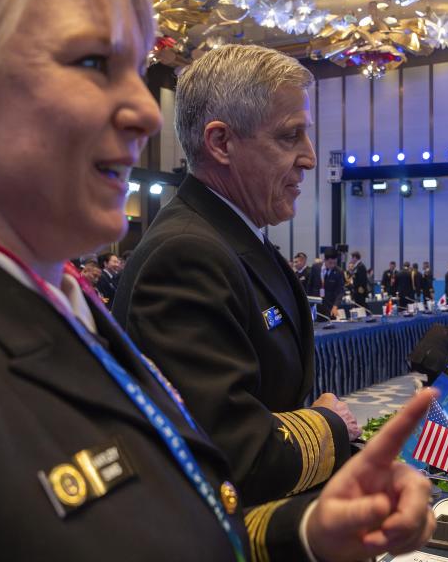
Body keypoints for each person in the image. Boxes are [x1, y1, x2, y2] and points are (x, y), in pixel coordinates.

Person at [0, 0, 436, 559]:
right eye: (92, 62)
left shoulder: (58, 305)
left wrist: (305, 534)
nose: (144, 114)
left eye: (137, 70)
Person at [111, 44, 359, 506]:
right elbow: (233, 454)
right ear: (221, 142)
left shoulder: (229, 236)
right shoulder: (186, 255)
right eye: (290, 136)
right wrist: (330, 424)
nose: (309, 157)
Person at [310, 247, 345, 319]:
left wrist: (335, 306)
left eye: (335, 263)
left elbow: (340, 291)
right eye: (330, 263)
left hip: (330, 308)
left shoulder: (339, 272)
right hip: (315, 306)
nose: (332, 265)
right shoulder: (315, 268)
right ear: (324, 260)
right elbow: (309, 286)